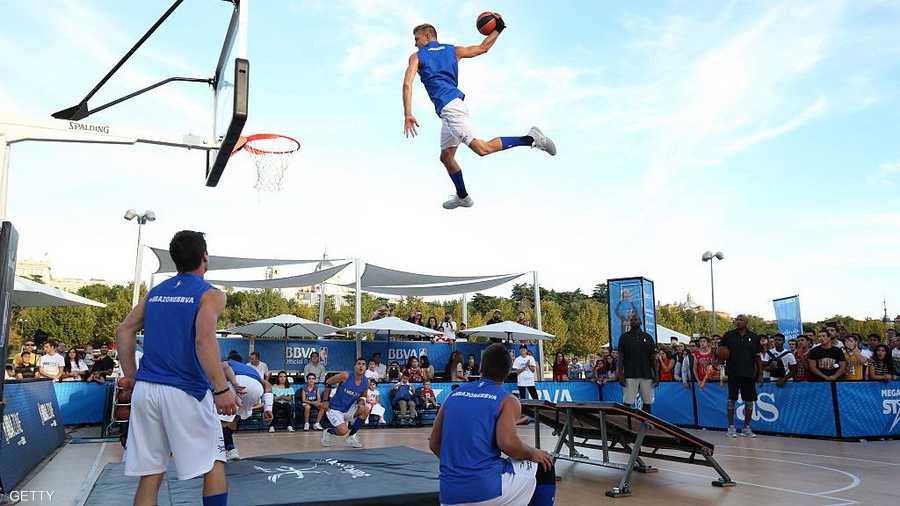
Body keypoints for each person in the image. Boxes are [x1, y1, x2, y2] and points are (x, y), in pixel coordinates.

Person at [116, 230, 238, 506]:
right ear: (205, 256)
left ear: (175, 259)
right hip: (185, 391)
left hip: (147, 390)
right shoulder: (211, 295)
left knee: (150, 474)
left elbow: (124, 330)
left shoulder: (156, 293)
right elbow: (203, 339)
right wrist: (221, 389)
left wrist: (132, 377)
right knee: (214, 462)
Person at [402, 19, 556, 210]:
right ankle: (463, 197)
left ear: (427, 36)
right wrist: (499, 28)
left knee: (482, 149)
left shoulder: (417, 56)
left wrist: (408, 113)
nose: (415, 43)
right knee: (446, 157)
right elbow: (483, 48)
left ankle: (531, 138)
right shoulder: (453, 50)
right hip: (453, 107)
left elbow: (407, 84)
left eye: (416, 39)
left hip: (451, 111)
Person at [429, 343, 555, 505]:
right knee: (545, 464)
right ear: (508, 371)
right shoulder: (507, 400)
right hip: (486, 490)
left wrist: (460, 467)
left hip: (449, 495)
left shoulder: (452, 395)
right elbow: (507, 443)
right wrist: (533, 453)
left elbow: (434, 443)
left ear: (481, 367)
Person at [220, 352, 274, 461]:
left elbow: (224, 368)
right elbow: (267, 385)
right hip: (256, 388)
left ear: (230, 359)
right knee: (234, 419)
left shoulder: (227, 362)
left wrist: (234, 384)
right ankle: (231, 450)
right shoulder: (251, 369)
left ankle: (220, 451)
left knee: (219, 421)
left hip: (236, 383)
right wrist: (268, 408)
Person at [720, 315, 763, 438]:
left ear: (746, 322)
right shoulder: (728, 335)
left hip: (749, 373)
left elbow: (758, 357)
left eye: (741, 320)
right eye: (737, 320)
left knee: (749, 402)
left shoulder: (754, 337)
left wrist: (760, 374)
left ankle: (746, 428)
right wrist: (717, 360)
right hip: (733, 373)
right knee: (731, 400)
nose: (738, 321)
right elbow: (720, 351)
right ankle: (731, 428)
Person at [321, 358, 371, 449]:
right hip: (334, 409)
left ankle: (351, 436)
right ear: (355, 367)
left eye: (363, 364)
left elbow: (363, 397)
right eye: (358, 364)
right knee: (343, 431)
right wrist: (325, 401)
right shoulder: (345, 376)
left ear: (365, 367)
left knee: (365, 409)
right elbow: (328, 382)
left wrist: (361, 403)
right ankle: (328, 432)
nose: (361, 366)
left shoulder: (366, 382)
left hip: (349, 409)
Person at [617, 314, 658, 414]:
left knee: (647, 402)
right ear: (630, 323)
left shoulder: (648, 337)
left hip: (646, 374)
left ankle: (647, 422)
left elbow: (653, 358)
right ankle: (627, 424)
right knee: (627, 402)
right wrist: (620, 374)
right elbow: (620, 357)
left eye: (636, 319)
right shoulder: (624, 337)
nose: (634, 321)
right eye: (632, 320)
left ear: (641, 322)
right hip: (630, 374)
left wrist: (656, 375)